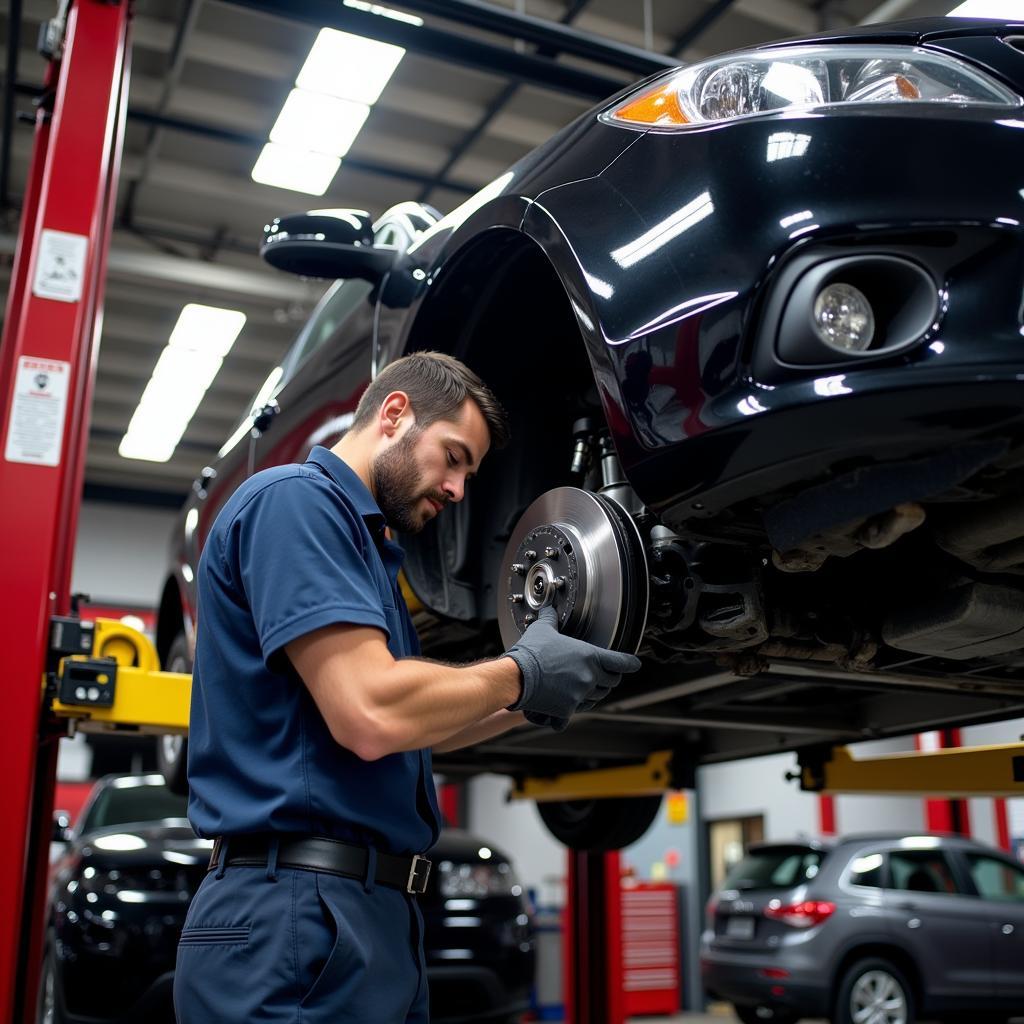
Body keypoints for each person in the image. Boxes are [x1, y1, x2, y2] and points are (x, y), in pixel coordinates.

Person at [173, 351, 641, 1023]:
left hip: (365, 916)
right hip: (292, 915)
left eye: (468, 473)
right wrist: (521, 671)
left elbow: (409, 726)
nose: (457, 490)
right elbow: (370, 712)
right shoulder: (296, 504)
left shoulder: (367, 553)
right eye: (453, 457)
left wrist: (531, 697)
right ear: (393, 414)